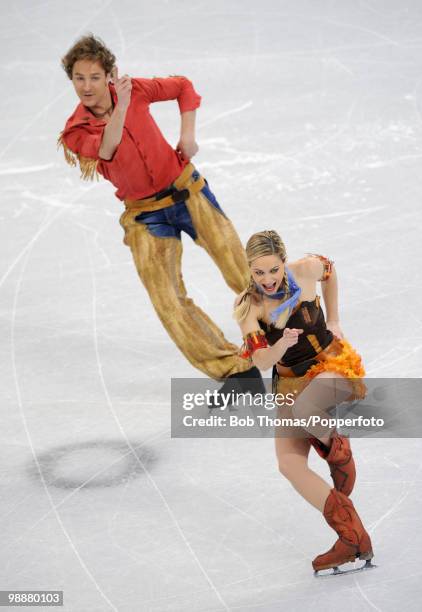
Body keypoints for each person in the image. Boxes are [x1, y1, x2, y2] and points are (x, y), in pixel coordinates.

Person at [58, 34, 263, 396]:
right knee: (168, 300)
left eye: (94, 76)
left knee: (244, 273)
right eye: (78, 78)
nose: (86, 86)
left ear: (110, 74)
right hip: (145, 216)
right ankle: (237, 373)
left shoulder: (135, 89)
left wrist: (188, 135)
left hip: (189, 192)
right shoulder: (76, 130)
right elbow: (107, 149)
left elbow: (183, 87)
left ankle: (302, 343)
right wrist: (119, 108)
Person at [234, 230, 374, 575]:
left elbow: (330, 270)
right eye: (258, 273)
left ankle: (338, 450)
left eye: (272, 270)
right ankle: (351, 536)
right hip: (288, 381)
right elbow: (263, 362)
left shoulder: (305, 270)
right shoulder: (248, 305)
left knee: (306, 409)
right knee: (289, 464)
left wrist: (336, 318)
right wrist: (279, 346)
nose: (266, 280)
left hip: (331, 364)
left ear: (284, 262)